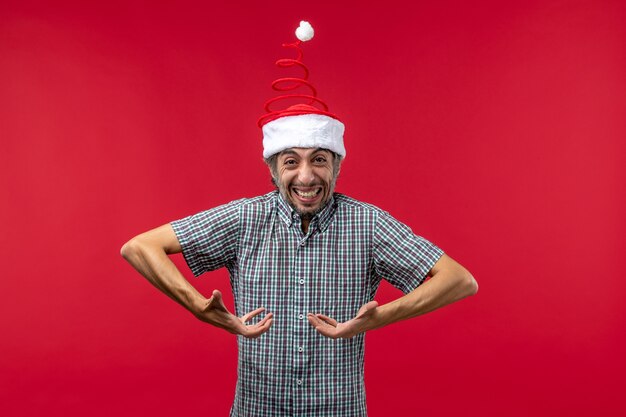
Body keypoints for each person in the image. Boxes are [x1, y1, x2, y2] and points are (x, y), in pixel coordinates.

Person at [121, 21, 477, 417]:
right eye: (291, 162)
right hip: (257, 409)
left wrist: (378, 318)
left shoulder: (368, 225)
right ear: (273, 170)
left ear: (337, 166)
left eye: (319, 160)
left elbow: (460, 281)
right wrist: (197, 306)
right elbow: (139, 247)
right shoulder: (245, 219)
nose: (306, 176)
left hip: (338, 409)